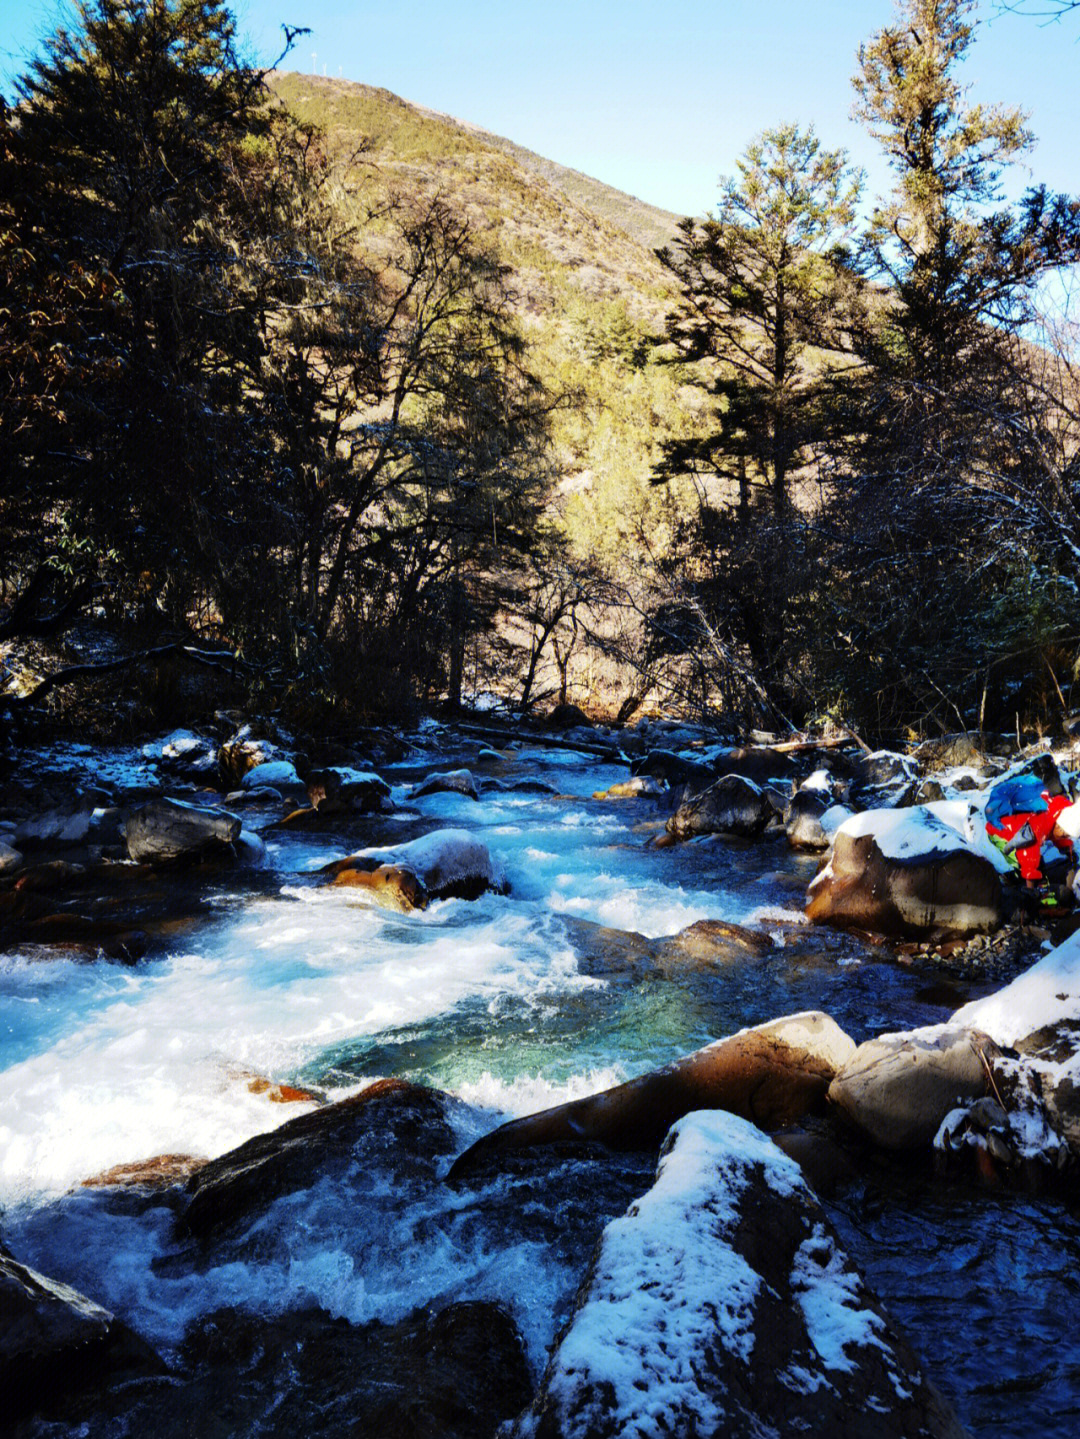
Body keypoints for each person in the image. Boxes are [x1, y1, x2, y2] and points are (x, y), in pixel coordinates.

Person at [984, 767, 1080, 904]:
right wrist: (1031, 887)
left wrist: (1067, 849)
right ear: (1059, 824)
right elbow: (1028, 854)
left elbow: (1060, 833)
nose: (1065, 836)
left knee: (1039, 867)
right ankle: (1011, 882)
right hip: (1002, 832)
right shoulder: (1037, 826)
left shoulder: (1060, 810)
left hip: (1021, 827)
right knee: (1025, 865)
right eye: (1065, 834)